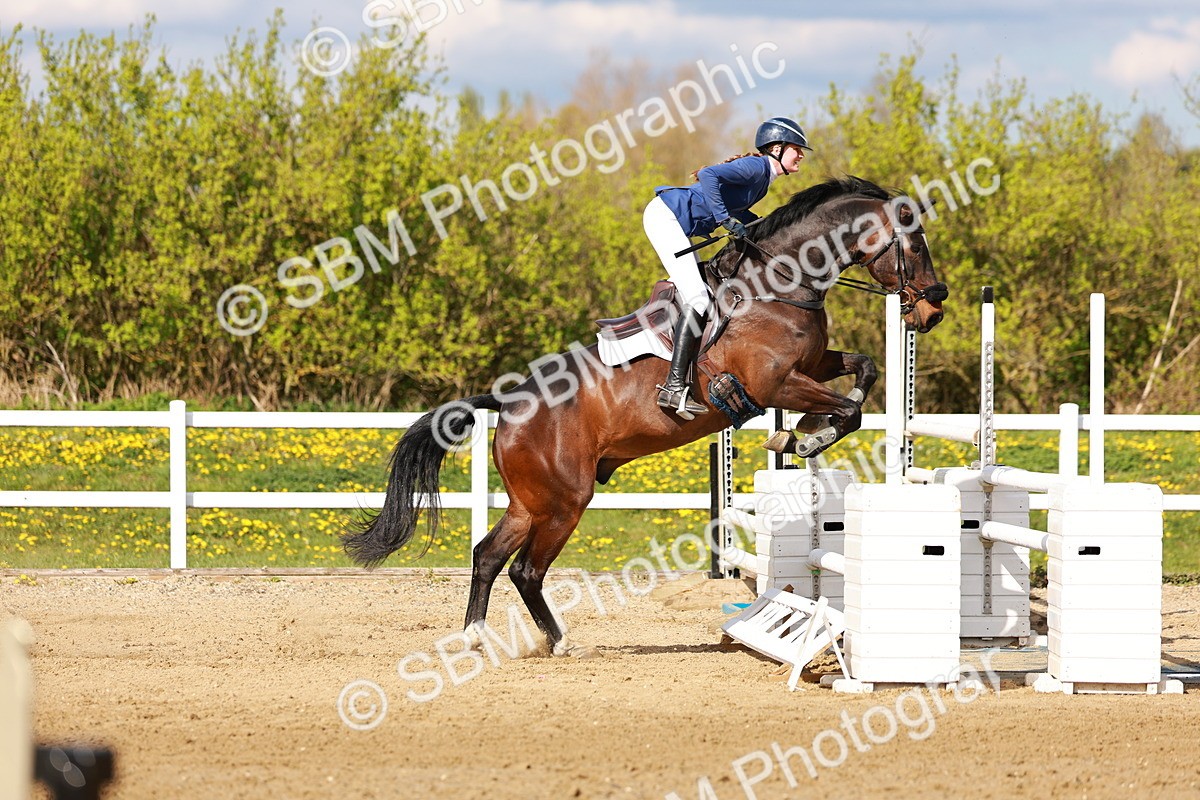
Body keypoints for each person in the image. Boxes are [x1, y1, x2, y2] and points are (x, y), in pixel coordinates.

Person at [644, 116, 811, 419]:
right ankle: (674, 386)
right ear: (777, 148)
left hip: (674, 223)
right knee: (697, 297)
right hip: (665, 217)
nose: (800, 155)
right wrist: (724, 219)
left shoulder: (763, 180)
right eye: (796, 149)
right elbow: (708, 176)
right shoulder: (758, 167)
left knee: (700, 292)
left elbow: (741, 211)